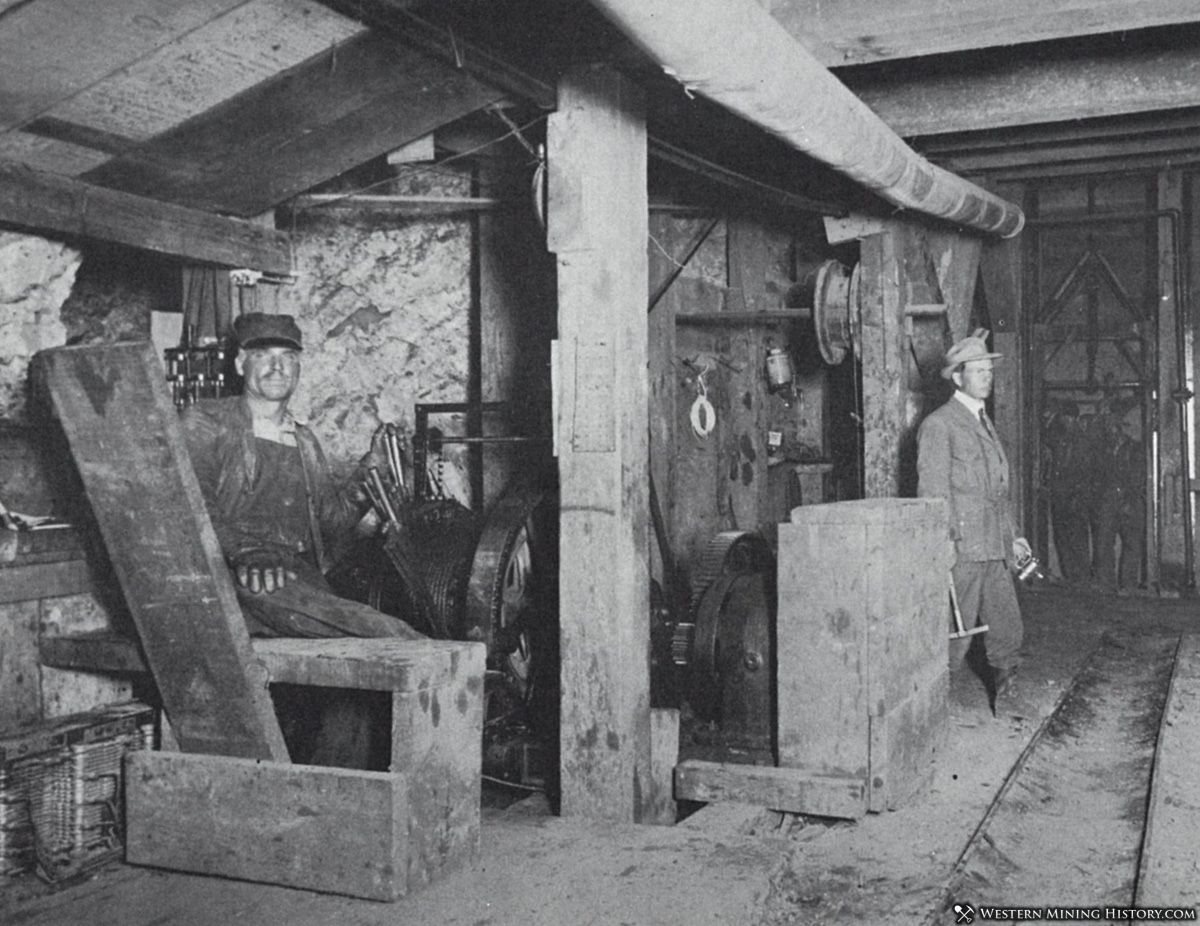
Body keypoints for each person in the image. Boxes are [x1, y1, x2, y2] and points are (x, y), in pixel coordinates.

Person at [181, 312, 421, 765]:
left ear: (299, 368)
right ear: (239, 365)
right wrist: (243, 549)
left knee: (355, 674)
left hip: (299, 581)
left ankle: (343, 786)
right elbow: (189, 500)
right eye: (263, 357)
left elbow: (331, 523)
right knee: (386, 635)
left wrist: (372, 472)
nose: (277, 367)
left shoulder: (303, 438)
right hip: (238, 579)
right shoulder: (205, 422)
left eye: (288, 358)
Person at [917, 331, 1031, 706]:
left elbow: (996, 492)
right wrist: (943, 545)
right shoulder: (940, 425)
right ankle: (930, 708)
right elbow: (933, 495)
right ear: (957, 377)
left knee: (1007, 628)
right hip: (962, 549)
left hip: (994, 547)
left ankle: (1008, 698)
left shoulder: (984, 421)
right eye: (979, 371)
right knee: (954, 632)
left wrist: (1012, 536)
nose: (988, 377)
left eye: (989, 370)